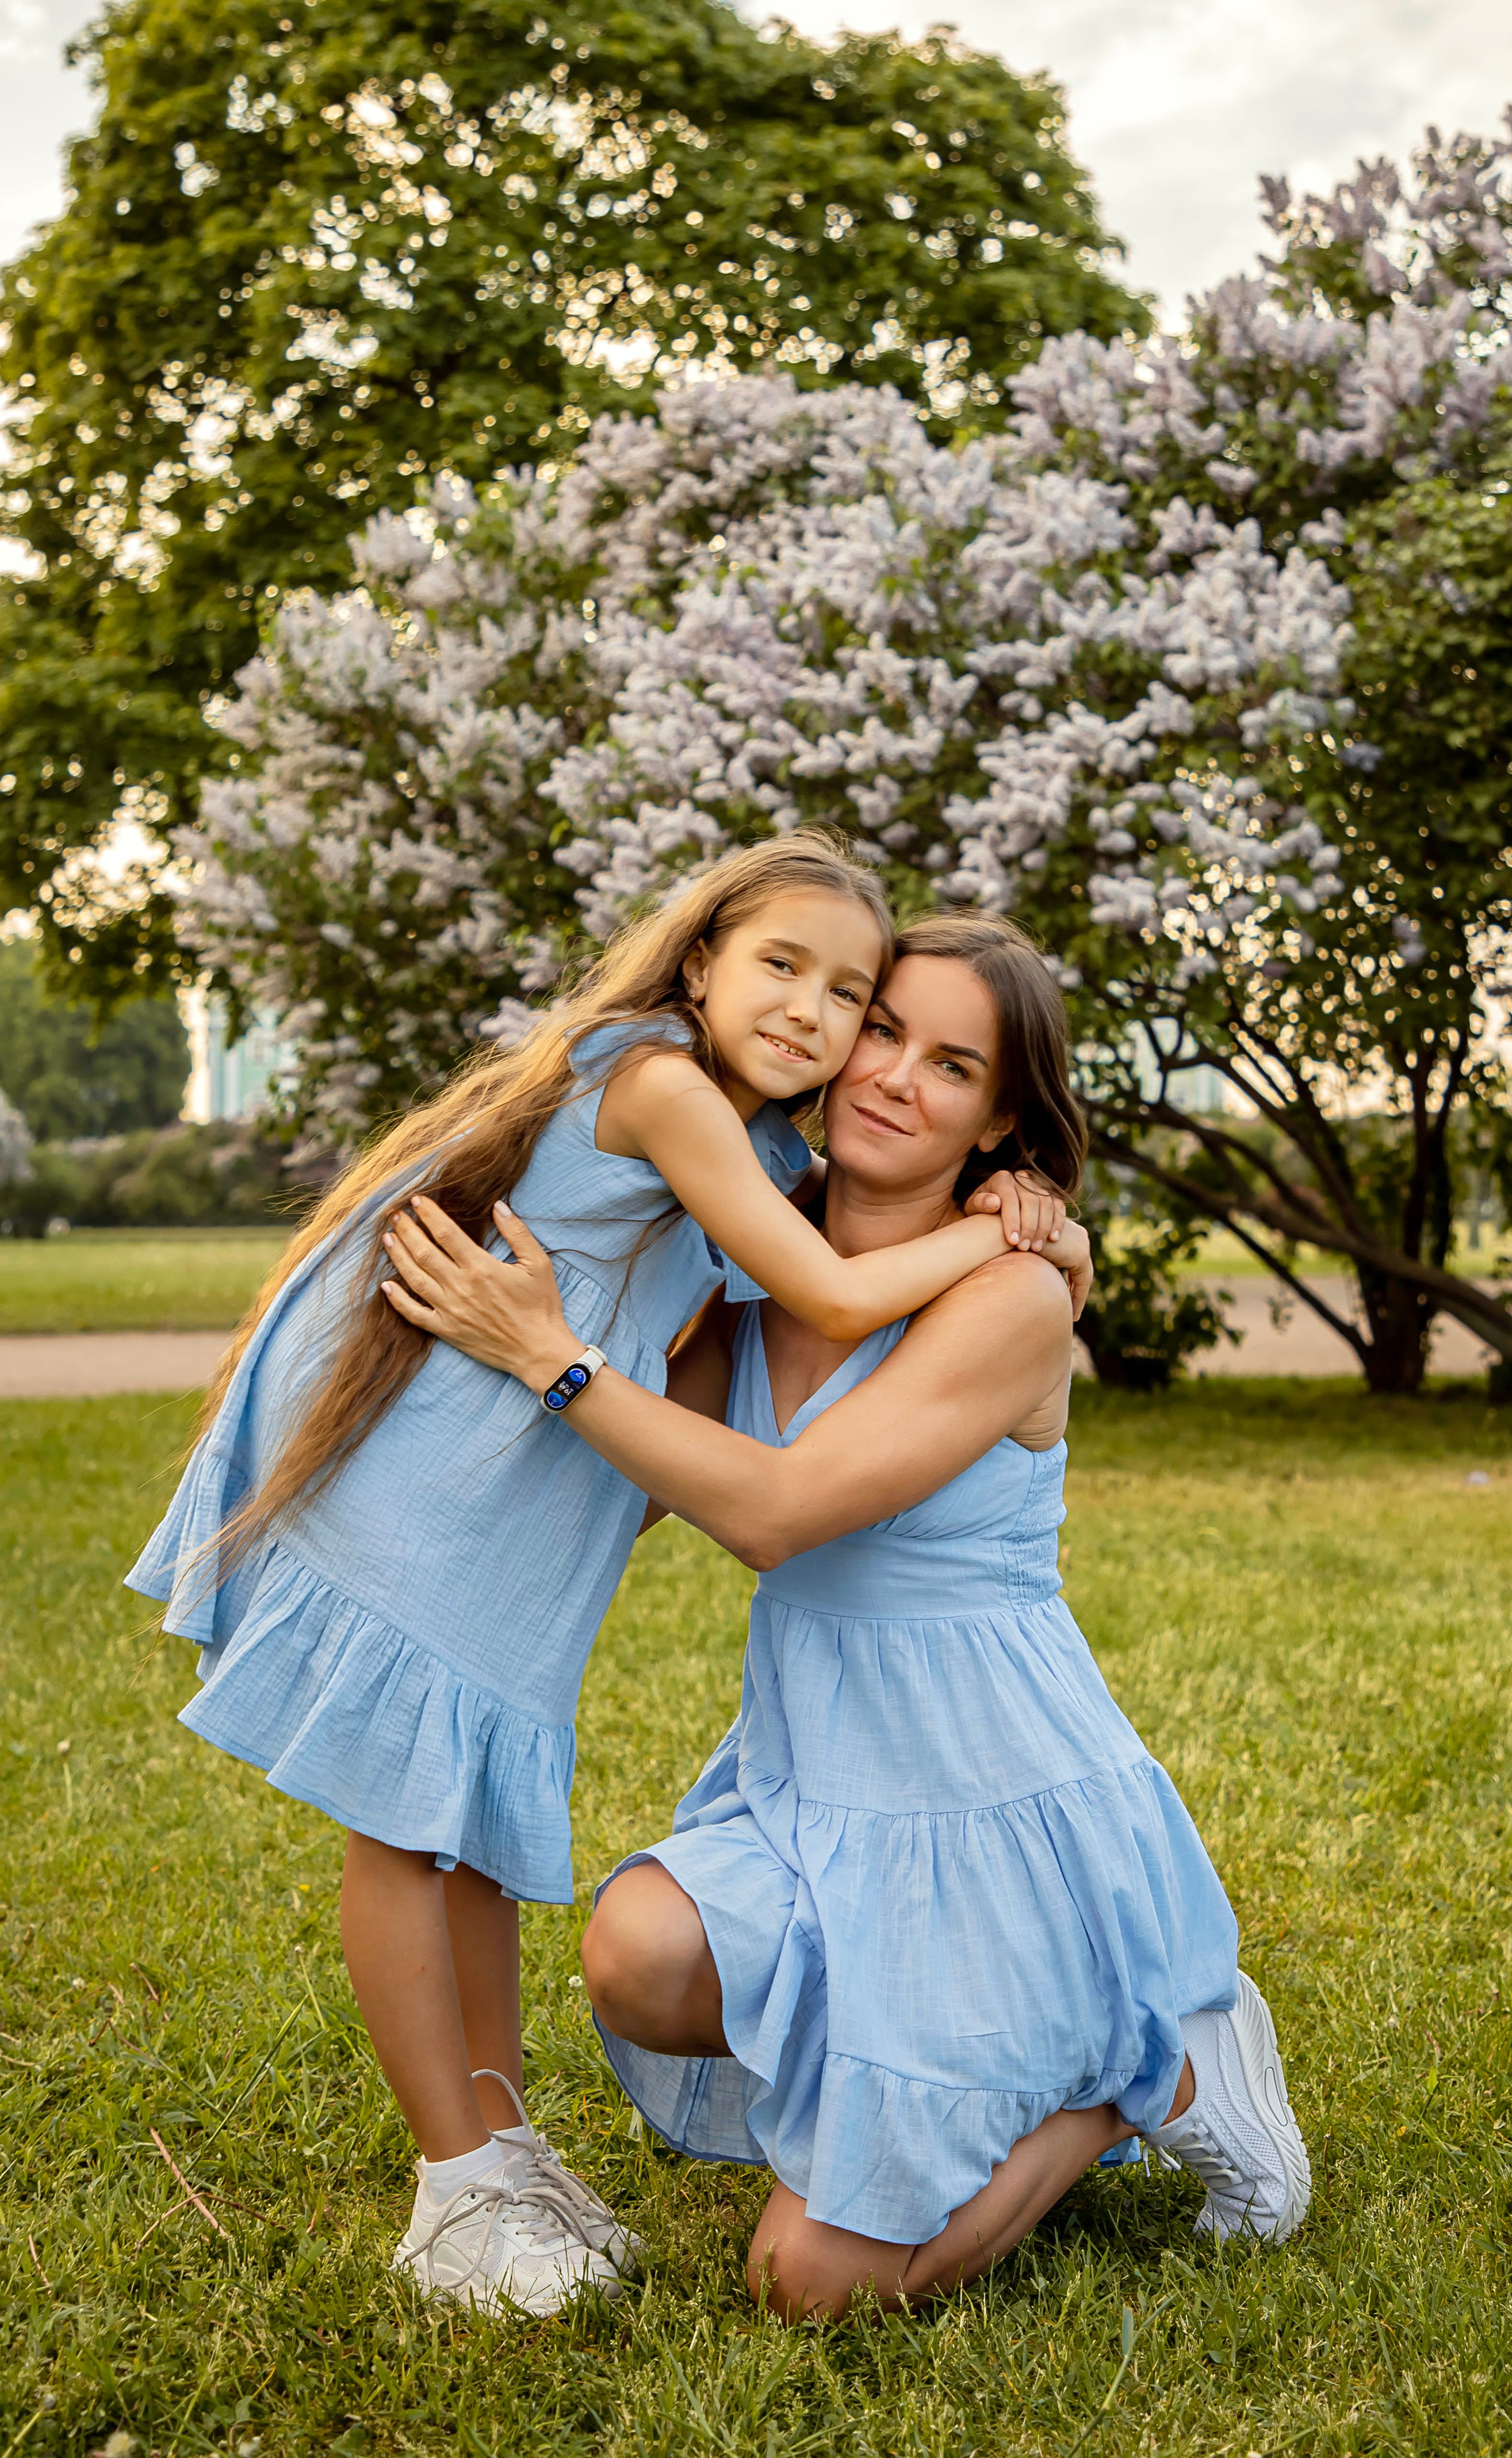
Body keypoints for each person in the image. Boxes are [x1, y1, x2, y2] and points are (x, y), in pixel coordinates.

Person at [126, 836, 1089, 2320]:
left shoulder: (761, 1145)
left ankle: (500, 2147)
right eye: (784, 967)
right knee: (404, 1825)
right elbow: (829, 1291)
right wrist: (997, 1229)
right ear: (698, 960)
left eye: (850, 995)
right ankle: (453, 2187)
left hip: (516, 1497)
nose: (818, 1018)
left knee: (472, 1823)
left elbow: (742, 1345)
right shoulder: (656, 1083)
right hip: (442, 1473)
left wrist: (1038, 1226)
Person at [381, 910, 1310, 2324]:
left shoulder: (1011, 1295)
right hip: (814, 1786)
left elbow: (772, 1509)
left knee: (806, 2285)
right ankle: (928, 2073)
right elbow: (610, 1490)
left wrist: (551, 1357)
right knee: (634, 1955)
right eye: (880, 1028)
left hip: (992, 1808)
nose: (889, 1075)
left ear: (1001, 1116)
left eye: (951, 1066)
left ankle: (1155, 2068)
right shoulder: (747, 1280)